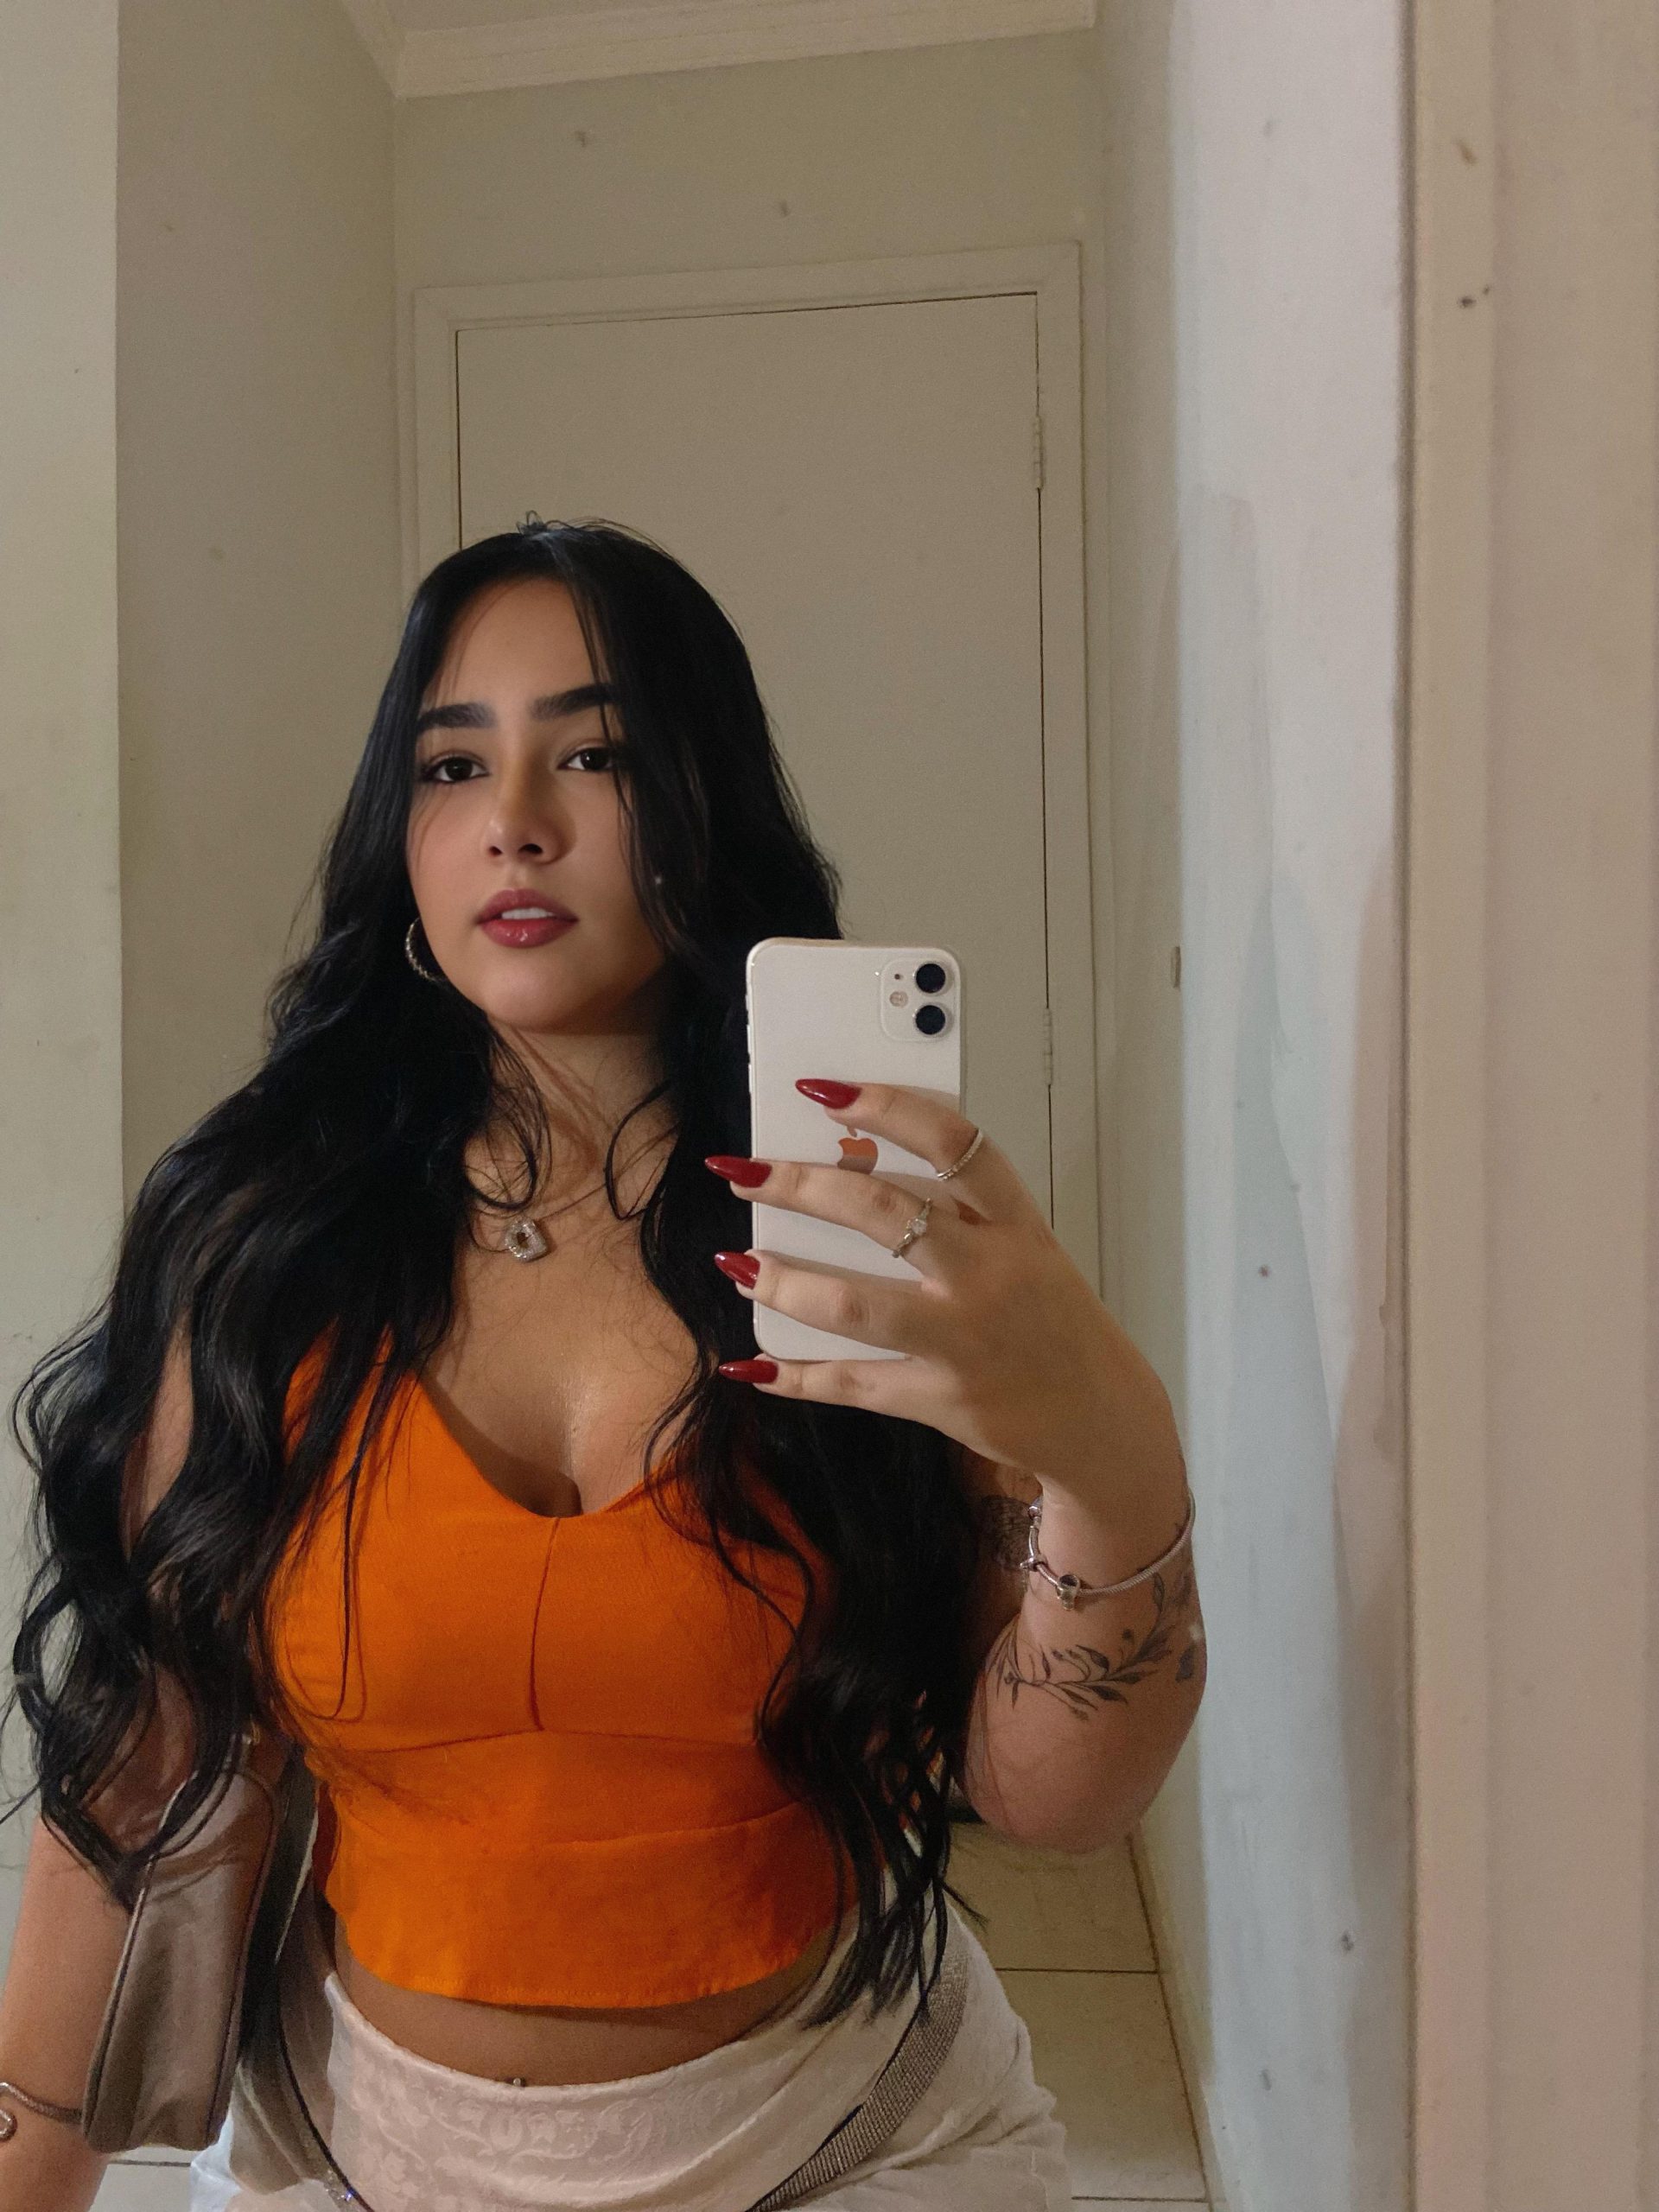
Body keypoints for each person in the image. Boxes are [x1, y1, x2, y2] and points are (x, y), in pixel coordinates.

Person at [0, 518, 1205, 2211]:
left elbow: (1048, 1794)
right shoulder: (265, 1246)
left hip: (845, 2148)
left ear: (704, 804)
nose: (515, 816)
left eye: (596, 753)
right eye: (452, 763)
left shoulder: (856, 1233)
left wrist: (1110, 1448)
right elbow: (143, 1765)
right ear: (402, 838)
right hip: (354, 2158)